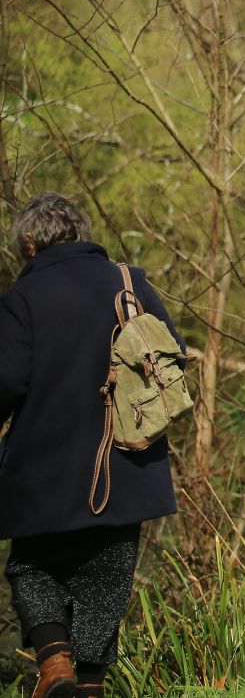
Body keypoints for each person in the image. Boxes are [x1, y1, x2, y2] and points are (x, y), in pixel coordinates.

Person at [0, 193, 184, 698]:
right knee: (106, 576)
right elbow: (173, 358)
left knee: (32, 565)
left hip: (43, 469)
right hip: (127, 463)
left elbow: (7, 380)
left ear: (30, 242)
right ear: (81, 233)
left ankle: (54, 668)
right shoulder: (130, 283)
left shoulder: (23, 298)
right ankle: (90, 686)